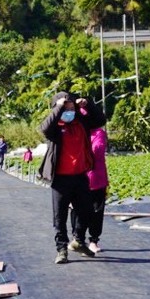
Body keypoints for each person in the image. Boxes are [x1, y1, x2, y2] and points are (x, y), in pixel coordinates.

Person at [39, 91, 105, 264]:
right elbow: (44, 128)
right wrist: (60, 106)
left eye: (71, 107)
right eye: (65, 108)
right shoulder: (55, 128)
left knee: (87, 211)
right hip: (60, 178)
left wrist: (88, 104)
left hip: (80, 175)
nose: (69, 110)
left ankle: (78, 240)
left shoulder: (81, 122)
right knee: (59, 217)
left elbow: (100, 120)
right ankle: (62, 250)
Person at [71, 113, 109, 254]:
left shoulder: (98, 133)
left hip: (97, 178)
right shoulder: (75, 132)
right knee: (77, 210)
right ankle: (77, 238)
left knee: (96, 211)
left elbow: (97, 150)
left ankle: (93, 240)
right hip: (78, 177)